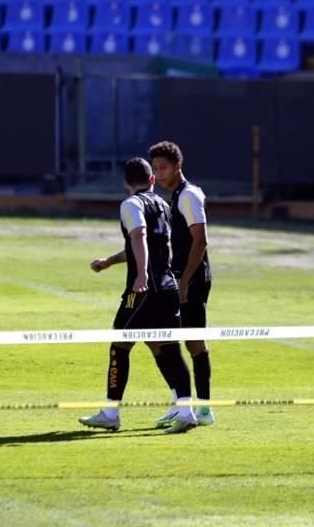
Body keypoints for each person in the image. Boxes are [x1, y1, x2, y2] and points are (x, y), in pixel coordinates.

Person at [80, 157, 198, 434]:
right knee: (163, 346)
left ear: (125, 182)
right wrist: (110, 261)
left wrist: (141, 275)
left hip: (143, 290)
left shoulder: (130, 204)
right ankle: (186, 410)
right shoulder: (163, 205)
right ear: (152, 180)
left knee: (119, 344)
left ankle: (110, 412)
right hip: (167, 287)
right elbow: (152, 245)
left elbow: (139, 237)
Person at [148, 140, 214, 428]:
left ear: (178, 166)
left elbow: (201, 240)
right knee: (172, 340)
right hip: (180, 278)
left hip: (193, 279)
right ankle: (187, 405)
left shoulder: (188, 196)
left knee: (190, 342)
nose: (159, 174)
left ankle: (201, 409)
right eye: (155, 169)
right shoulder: (176, 196)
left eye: (163, 168)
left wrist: (186, 281)